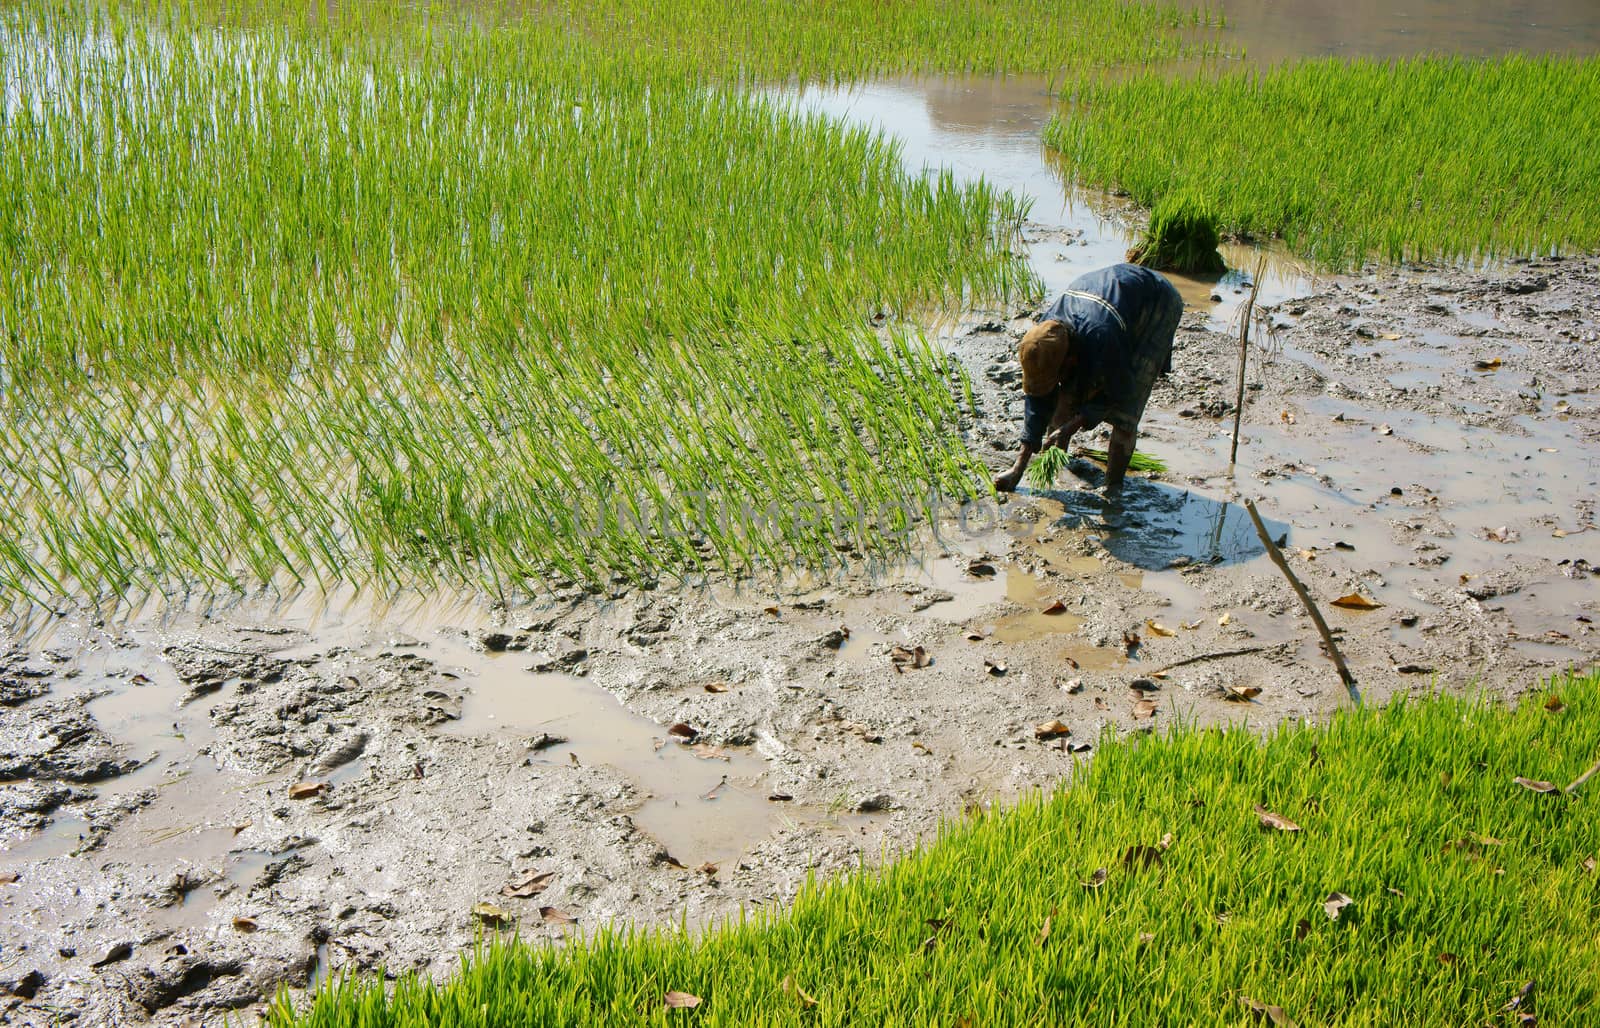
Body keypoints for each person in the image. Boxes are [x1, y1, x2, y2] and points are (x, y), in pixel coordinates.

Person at [993, 262, 1183, 495]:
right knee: (1066, 399)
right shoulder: (1046, 333)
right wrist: (1017, 469)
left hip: (1156, 303)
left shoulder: (1101, 337)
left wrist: (1072, 426)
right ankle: (1058, 463)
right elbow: (1039, 400)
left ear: (1070, 361)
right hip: (1108, 307)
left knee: (1125, 414)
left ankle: (1113, 486)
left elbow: (1121, 390)